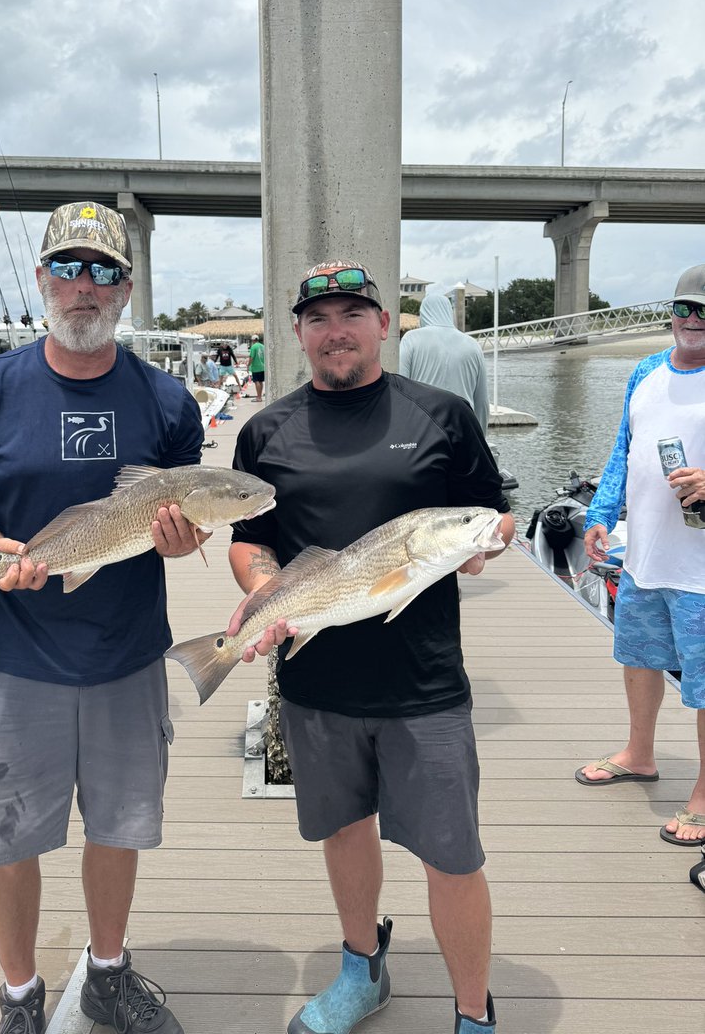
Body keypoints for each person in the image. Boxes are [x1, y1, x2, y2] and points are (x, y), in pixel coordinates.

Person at [0, 201, 204, 1034]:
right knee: (7, 835)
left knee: (118, 826)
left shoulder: (168, 401)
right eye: (69, 267)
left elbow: (187, 520)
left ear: (126, 289)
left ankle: (107, 975)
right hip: (16, 658)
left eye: (104, 271)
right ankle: (20, 994)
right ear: (42, 278)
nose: (85, 286)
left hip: (127, 654)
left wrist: (184, 539)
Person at [227, 260, 515, 1034]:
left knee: (453, 853)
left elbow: (492, 513)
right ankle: (363, 970)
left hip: (424, 682)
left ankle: (474, 1012)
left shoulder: (442, 415)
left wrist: (484, 543)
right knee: (344, 831)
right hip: (315, 680)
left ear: (384, 325)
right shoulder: (265, 431)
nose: (337, 331)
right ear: (296, 333)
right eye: (318, 318)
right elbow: (250, 540)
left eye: (352, 314)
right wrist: (263, 589)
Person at [578, 263, 705, 847]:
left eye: (704, 310)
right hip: (645, 555)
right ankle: (640, 752)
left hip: (700, 571)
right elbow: (622, 452)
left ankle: (704, 795)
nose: (693, 319)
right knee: (638, 656)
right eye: (684, 308)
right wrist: (601, 516)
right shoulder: (646, 371)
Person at [399, 293, 490, 433]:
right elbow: (482, 402)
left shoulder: (411, 339)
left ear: (423, 314)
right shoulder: (473, 345)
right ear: (449, 313)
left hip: (423, 431)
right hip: (462, 430)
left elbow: (400, 390)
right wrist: (479, 438)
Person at [247, 335, 266, 401]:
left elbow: (251, 357)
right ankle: (260, 397)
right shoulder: (263, 346)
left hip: (256, 367)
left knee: (256, 381)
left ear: (253, 340)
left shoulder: (253, 347)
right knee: (260, 382)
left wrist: (248, 365)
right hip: (263, 367)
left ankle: (258, 397)